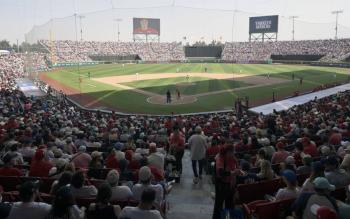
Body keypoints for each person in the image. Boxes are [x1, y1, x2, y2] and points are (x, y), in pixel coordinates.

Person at [213, 144, 241, 219]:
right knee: (219, 205)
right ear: (227, 152)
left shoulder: (233, 158)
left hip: (231, 185)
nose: (233, 153)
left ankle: (227, 217)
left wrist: (235, 188)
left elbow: (237, 170)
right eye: (232, 151)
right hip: (221, 185)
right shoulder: (220, 158)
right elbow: (220, 172)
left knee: (230, 205)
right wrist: (233, 172)